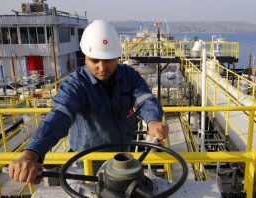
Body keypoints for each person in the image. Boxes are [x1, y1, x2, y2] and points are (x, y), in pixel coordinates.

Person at [9, 20, 169, 185]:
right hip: (89, 160)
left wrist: (153, 121)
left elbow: (145, 99)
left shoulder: (129, 76)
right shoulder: (75, 84)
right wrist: (32, 152)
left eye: (108, 60)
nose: (102, 67)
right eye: (95, 60)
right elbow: (59, 116)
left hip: (124, 153)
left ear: (117, 57)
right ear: (85, 58)